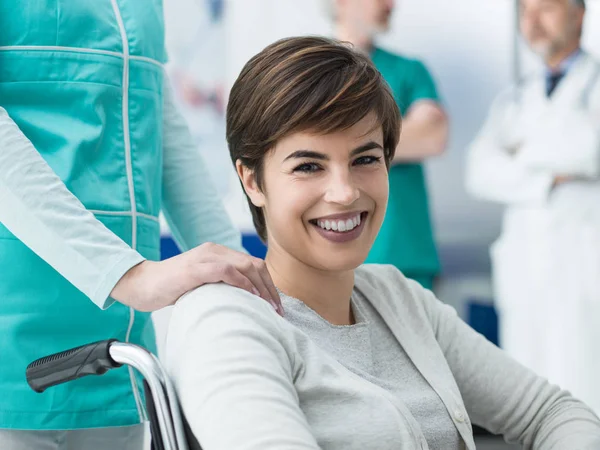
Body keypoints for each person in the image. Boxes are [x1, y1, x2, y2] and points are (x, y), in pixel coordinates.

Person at [165, 36, 600, 450]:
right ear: (253, 181)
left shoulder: (398, 298)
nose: (345, 191)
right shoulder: (227, 321)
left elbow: (555, 412)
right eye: (308, 166)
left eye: (365, 159)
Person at [0, 1, 281, 449]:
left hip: (118, 344)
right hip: (15, 330)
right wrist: (126, 274)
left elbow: (159, 120)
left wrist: (252, 285)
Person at [466, 0, 600, 413]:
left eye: (547, 9)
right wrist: (547, 177)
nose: (533, 21)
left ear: (579, 14)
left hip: (582, 260)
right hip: (526, 266)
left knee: (584, 382)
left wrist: (520, 155)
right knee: (531, 395)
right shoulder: (513, 99)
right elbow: (478, 171)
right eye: (526, 12)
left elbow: (590, 150)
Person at [322, 0, 449, 290]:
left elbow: (433, 136)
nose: (391, 4)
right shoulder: (307, 73)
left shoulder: (409, 70)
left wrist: (333, 136)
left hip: (405, 258)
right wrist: (395, 136)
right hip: (332, 260)